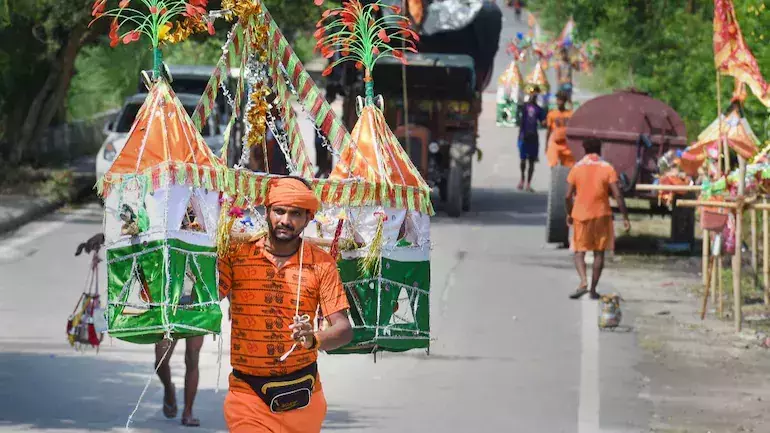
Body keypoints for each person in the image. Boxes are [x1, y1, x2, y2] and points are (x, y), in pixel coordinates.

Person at [218, 176, 354, 433]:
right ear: (267, 211)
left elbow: (344, 329)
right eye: (279, 211)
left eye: (295, 214)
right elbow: (207, 297)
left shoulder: (321, 263)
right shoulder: (237, 255)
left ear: (308, 218)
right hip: (248, 396)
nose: (285, 221)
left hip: (304, 397)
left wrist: (313, 339)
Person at [565, 138, 631, 300]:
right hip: (602, 215)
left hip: (581, 215)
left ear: (584, 150)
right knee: (599, 253)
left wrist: (569, 213)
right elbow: (617, 194)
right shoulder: (607, 168)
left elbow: (567, 196)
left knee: (579, 251)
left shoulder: (577, 168)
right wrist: (625, 217)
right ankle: (593, 290)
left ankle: (583, 282)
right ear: (600, 149)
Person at [516, 87, 546, 191]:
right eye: (532, 93)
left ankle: (528, 183)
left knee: (532, 161)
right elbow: (519, 119)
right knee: (523, 160)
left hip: (533, 137)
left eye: (535, 94)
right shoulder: (524, 107)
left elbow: (543, 122)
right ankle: (522, 180)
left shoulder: (539, 109)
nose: (533, 96)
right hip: (524, 136)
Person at [545, 90, 575, 169]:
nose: (559, 102)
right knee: (553, 163)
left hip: (567, 144)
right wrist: (546, 145)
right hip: (555, 143)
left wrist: (570, 101)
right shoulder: (552, 114)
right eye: (558, 100)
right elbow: (548, 131)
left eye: (562, 100)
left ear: (565, 101)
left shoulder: (570, 114)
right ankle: (555, 179)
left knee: (569, 166)